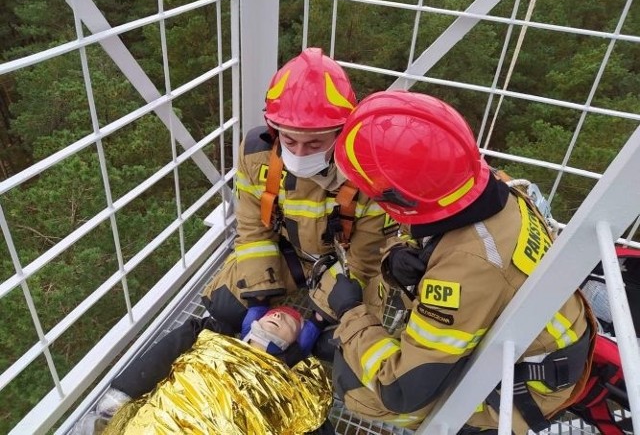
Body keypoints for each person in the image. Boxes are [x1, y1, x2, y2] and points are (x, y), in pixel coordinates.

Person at [326, 90, 597, 434]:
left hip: (519, 393)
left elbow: (401, 390)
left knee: (355, 383)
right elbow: (432, 227)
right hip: (542, 346)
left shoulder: (465, 268)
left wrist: (350, 312)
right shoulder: (491, 185)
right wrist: (401, 252)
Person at [202, 47, 395, 353]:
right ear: (273, 130)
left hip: (347, 268)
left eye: (315, 142)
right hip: (290, 255)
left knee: (345, 343)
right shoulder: (256, 156)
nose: (300, 154)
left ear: (342, 133)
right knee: (226, 305)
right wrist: (258, 299)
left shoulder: (369, 173)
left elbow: (364, 259)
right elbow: (253, 232)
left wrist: (319, 318)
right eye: (290, 141)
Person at [72, 306, 333, 434]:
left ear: (295, 343)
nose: (277, 316)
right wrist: (122, 394)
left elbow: (311, 420)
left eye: (287, 319)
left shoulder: (293, 384)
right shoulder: (209, 336)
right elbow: (159, 357)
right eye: (273, 313)